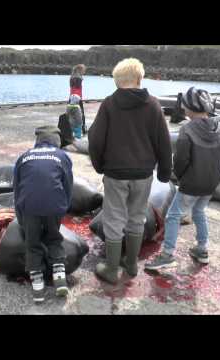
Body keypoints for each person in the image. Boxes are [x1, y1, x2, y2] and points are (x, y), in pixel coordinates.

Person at [88, 58, 172, 284]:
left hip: (115, 174)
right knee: (136, 218)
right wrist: (165, 172)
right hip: (143, 174)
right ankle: (132, 264)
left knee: (114, 219)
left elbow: (95, 139)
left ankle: (111, 268)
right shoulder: (153, 105)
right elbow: (164, 142)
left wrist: (99, 165)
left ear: (117, 82)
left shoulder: (109, 104)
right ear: (139, 78)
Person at [145, 87, 220, 270]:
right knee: (199, 212)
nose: (183, 109)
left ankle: (167, 255)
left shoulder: (187, 130)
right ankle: (202, 249)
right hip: (211, 183)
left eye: (185, 106)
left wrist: (180, 177)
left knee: (173, 216)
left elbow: (181, 160)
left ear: (189, 108)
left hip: (192, 183)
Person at [13, 125, 74, 303]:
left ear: (38, 141)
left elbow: (17, 187)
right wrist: (64, 207)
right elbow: (68, 185)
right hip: (54, 206)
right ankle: (60, 278)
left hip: (29, 207)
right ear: (57, 140)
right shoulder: (62, 156)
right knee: (54, 238)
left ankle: (38, 288)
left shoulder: (24, 157)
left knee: (32, 243)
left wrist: (20, 214)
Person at [69, 64, 87, 134]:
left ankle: (71, 130)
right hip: (77, 98)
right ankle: (82, 129)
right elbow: (78, 89)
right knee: (81, 114)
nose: (84, 71)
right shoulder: (78, 78)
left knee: (71, 114)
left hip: (71, 97)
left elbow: (73, 89)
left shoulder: (72, 76)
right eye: (83, 70)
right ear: (80, 70)